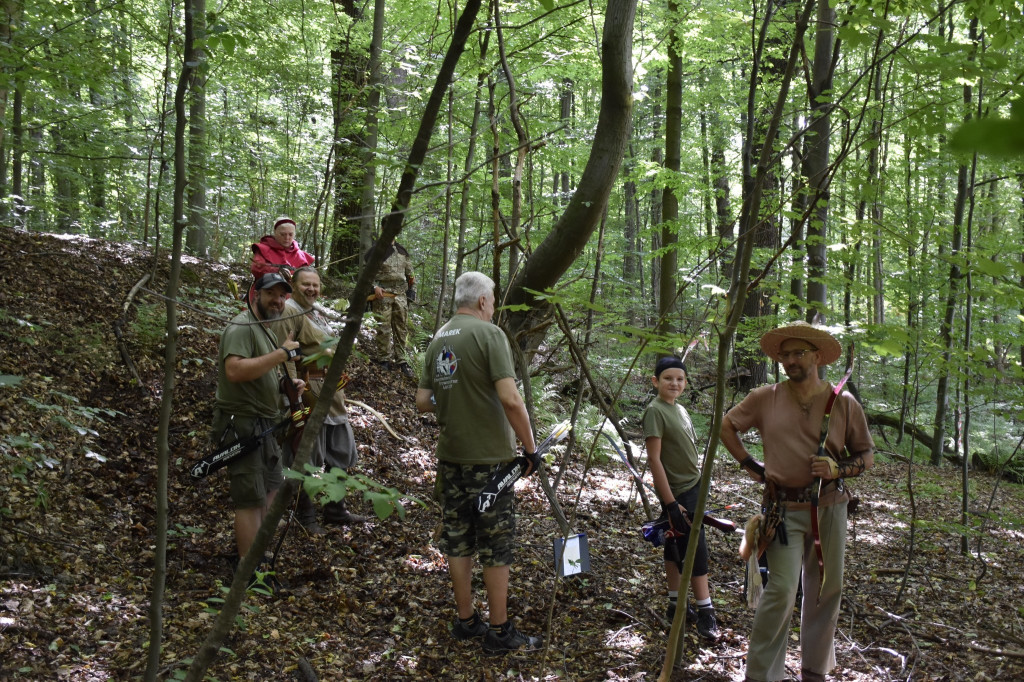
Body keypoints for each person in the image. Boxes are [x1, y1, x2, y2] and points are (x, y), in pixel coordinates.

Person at [720, 321, 874, 682]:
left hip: (830, 508)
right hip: (782, 511)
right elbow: (727, 427)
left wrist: (838, 468)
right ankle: (762, 676)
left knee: (825, 590)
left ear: (817, 356)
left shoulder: (844, 402)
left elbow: (866, 456)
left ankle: (814, 671)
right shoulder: (764, 397)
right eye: (785, 354)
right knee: (782, 589)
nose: (790, 360)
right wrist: (751, 466)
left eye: (798, 353)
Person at [415, 271, 541, 654]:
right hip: (490, 462)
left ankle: (466, 620)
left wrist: (456, 401)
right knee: (495, 543)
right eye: (493, 301)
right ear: (484, 301)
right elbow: (511, 399)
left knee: (458, 540)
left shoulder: (439, 338)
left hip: (451, 457)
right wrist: (531, 449)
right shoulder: (490, 335)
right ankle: (499, 631)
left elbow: (423, 401)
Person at [211, 272, 304, 561]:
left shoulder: (264, 328)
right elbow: (235, 371)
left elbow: (258, 372)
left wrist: (283, 386)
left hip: (264, 425)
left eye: (281, 295)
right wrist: (281, 356)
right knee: (250, 500)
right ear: (255, 294)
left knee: (271, 491)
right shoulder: (241, 326)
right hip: (242, 424)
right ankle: (248, 569)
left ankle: (254, 557)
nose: (277, 300)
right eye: (270, 294)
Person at [268, 266, 368, 533]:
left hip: (331, 391)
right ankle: (306, 515)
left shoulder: (315, 312)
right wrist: (291, 396)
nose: (312, 289)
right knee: (306, 454)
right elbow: (284, 353)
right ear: (294, 284)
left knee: (340, 451)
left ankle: (336, 509)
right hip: (308, 393)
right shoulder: (289, 311)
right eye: (306, 285)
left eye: (315, 285)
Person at [641, 356, 718, 641]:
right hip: (678, 492)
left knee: (675, 542)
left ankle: (677, 605)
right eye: (668, 378)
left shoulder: (680, 409)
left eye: (680, 379)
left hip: (693, 487)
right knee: (695, 547)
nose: (674, 383)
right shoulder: (655, 411)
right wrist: (671, 503)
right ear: (655, 381)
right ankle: (706, 610)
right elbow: (654, 459)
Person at [366, 239, 415, 375]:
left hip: (400, 294)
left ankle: (402, 361)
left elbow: (410, 273)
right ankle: (384, 360)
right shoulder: (376, 250)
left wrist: (412, 289)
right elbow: (367, 273)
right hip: (383, 293)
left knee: (401, 328)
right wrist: (374, 287)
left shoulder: (402, 251)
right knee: (383, 327)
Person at [250, 216, 316, 282]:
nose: (287, 238)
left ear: (294, 234)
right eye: (282, 234)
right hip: (267, 288)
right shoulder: (264, 249)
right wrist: (277, 271)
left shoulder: (300, 255)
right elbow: (256, 269)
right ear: (275, 233)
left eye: (290, 234)